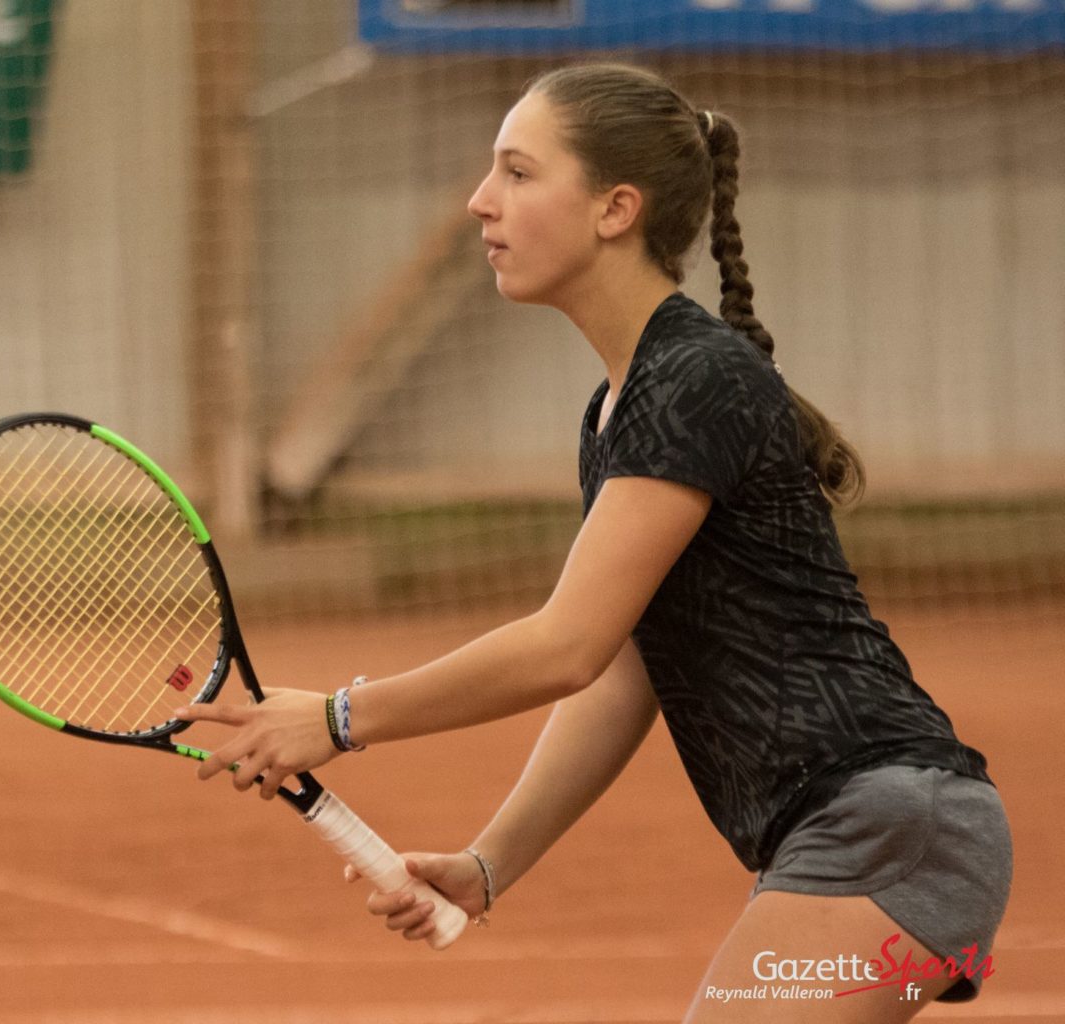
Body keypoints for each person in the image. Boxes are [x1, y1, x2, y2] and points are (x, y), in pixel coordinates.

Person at [173, 62, 1011, 1022]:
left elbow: (564, 646)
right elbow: (620, 672)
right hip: (879, 831)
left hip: (892, 832)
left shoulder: (694, 380)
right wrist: (491, 863)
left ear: (616, 209)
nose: (482, 200)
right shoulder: (623, 406)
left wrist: (336, 718)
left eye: (518, 172)